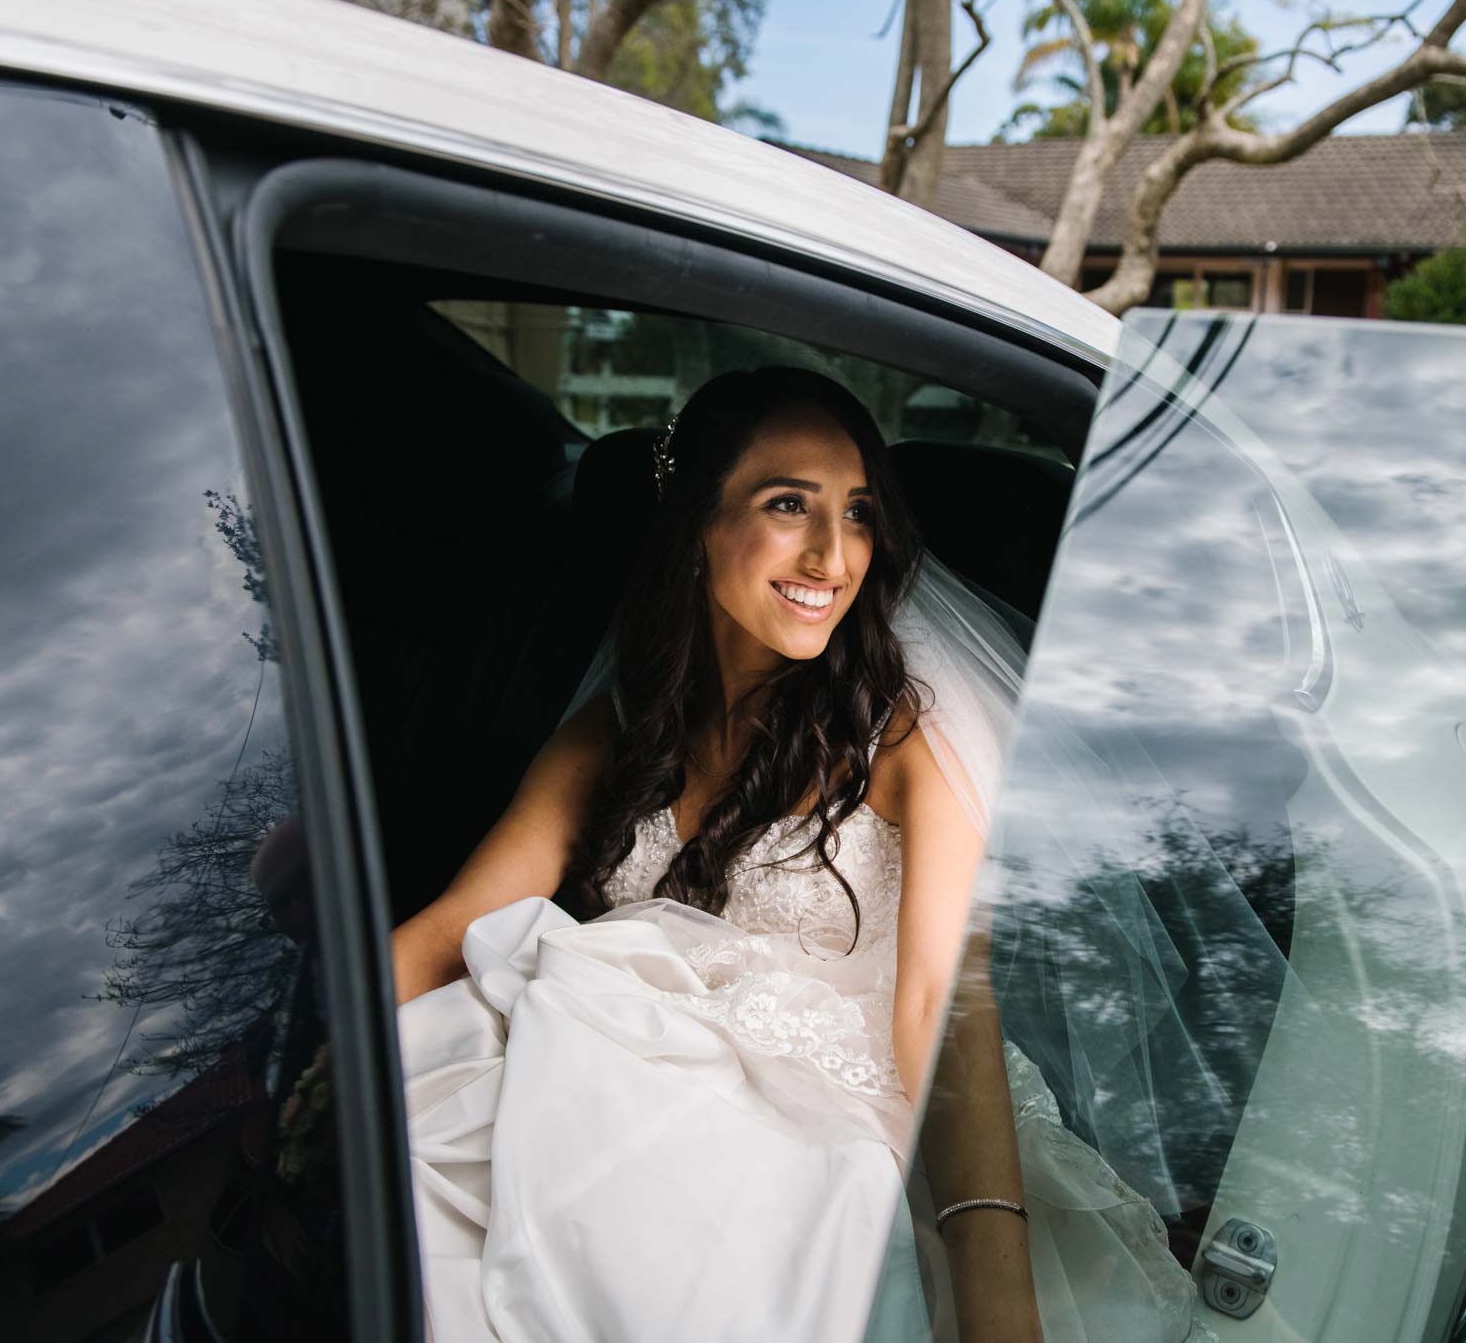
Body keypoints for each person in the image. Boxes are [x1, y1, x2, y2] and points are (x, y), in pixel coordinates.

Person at [390, 367, 1208, 1342]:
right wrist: (333, 1055)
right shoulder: (616, 733)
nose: (831, 555)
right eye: (788, 505)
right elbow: (453, 927)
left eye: (857, 514)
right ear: (697, 524)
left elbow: (942, 1008)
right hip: (616, 1086)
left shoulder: (903, 740)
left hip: (822, 1144)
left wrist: (987, 1282)